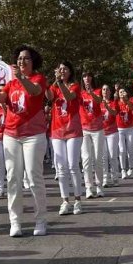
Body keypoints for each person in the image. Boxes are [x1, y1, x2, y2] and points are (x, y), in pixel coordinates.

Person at [0, 45, 49, 237]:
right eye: (19, 59)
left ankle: (40, 220)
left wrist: (22, 78)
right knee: (13, 179)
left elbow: (34, 91)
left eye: (26, 59)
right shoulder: (10, 83)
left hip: (33, 135)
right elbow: (1, 97)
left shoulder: (38, 78)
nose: (22, 62)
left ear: (33, 62)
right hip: (11, 134)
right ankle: (15, 221)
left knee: (34, 178)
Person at [50, 61, 84, 215]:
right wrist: (50, 83)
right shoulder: (55, 86)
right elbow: (48, 96)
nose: (62, 71)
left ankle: (77, 200)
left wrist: (59, 82)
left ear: (70, 72)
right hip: (57, 131)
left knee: (72, 165)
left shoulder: (75, 86)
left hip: (73, 130)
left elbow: (69, 96)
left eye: (65, 69)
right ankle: (65, 201)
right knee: (61, 168)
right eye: (60, 68)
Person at [80, 73, 106, 198]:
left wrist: (91, 93)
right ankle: (88, 187)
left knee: (98, 159)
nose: (87, 78)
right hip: (84, 129)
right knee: (86, 159)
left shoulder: (98, 91)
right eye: (84, 76)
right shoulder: (79, 92)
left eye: (89, 76)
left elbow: (99, 101)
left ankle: (99, 186)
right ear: (82, 79)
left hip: (98, 129)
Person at [101, 84, 121, 187]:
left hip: (112, 132)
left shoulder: (114, 103)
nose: (105, 91)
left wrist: (107, 107)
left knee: (112, 156)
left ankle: (115, 177)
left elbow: (114, 113)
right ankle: (105, 179)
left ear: (110, 92)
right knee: (104, 157)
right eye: (103, 89)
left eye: (107, 89)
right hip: (101, 133)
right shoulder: (98, 103)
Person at [116, 88, 133, 178]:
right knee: (122, 150)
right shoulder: (116, 103)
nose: (122, 93)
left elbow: (131, 107)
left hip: (130, 128)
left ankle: (131, 167)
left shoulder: (130, 101)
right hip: (120, 129)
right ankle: (123, 169)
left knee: (130, 149)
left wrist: (126, 100)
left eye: (123, 92)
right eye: (120, 92)